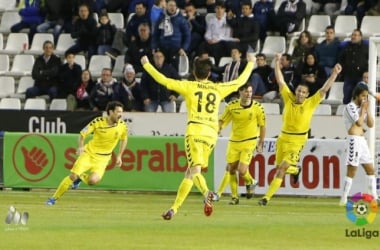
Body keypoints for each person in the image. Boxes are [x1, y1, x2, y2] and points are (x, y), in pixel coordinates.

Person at [140, 53, 255, 220]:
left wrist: (147, 65)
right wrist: (250, 63)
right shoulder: (218, 88)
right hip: (211, 134)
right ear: (209, 74)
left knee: (194, 171)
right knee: (191, 173)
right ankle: (174, 208)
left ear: (194, 73)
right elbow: (240, 82)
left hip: (195, 131)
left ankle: (207, 192)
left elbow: (164, 81)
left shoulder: (189, 86)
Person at [258, 54, 342, 206]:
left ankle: (266, 198)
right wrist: (277, 63)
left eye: (304, 92)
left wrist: (334, 74)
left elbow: (323, 90)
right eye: (299, 91)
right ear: (295, 91)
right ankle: (296, 171)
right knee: (279, 168)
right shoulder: (288, 97)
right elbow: (281, 80)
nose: (300, 94)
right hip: (283, 138)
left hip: (297, 140)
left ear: (307, 95)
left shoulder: (310, 103)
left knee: (281, 169)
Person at [46, 101, 128, 205]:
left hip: (103, 159)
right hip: (89, 154)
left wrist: (120, 156)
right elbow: (82, 134)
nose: (120, 115)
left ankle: (81, 178)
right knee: (73, 176)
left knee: (92, 181)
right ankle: (53, 198)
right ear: (110, 112)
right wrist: (80, 147)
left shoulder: (122, 126)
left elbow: (124, 139)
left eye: (121, 112)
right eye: (118, 112)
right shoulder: (97, 122)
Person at [216, 83, 266, 205]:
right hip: (234, 142)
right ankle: (234, 197)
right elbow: (222, 121)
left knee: (242, 170)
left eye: (250, 91)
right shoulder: (232, 107)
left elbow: (262, 126)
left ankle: (250, 181)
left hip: (249, 141)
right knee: (231, 169)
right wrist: (217, 129)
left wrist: (260, 143)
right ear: (240, 92)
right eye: (246, 92)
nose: (249, 94)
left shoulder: (258, 108)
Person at [339, 82, 378, 206]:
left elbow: (371, 124)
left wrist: (368, 110)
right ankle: (343, 199)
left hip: (362, 141)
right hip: (353, 140)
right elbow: (359, 123)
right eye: (362, 96)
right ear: (356, 95)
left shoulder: (363, 108)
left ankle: (375, 198)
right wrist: (363, 111)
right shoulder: (350, 107)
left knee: (370, 169)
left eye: (366, 96)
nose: (364, 99)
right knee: (352, 170)